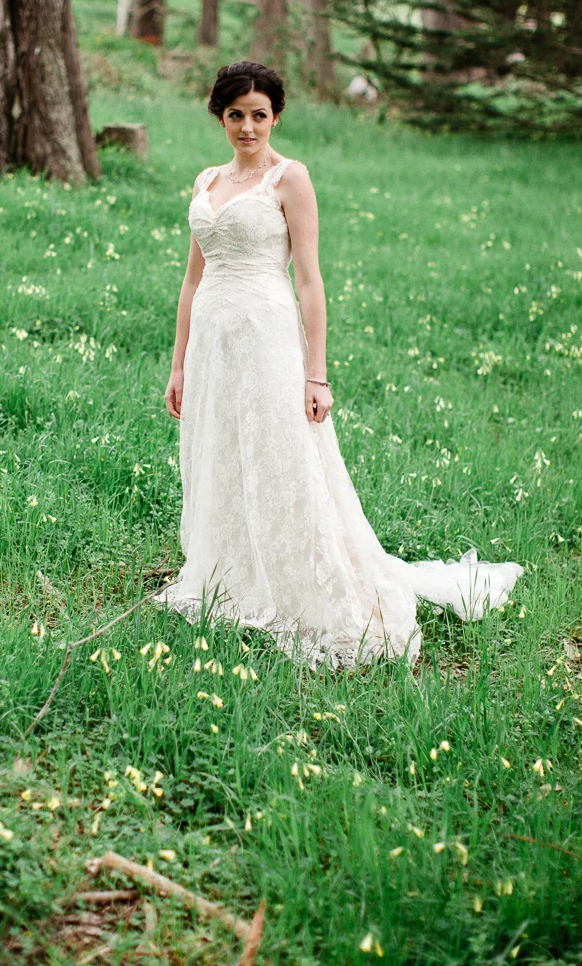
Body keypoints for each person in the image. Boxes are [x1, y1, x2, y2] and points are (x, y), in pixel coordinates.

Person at [158, 61, 523, 667]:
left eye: (259, 115)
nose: (248, 127)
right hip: (213, 344)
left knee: (281, 458)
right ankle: (230, 574)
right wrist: (178, 365)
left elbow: (309, 282)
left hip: (269, 338)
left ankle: (305, 585)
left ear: (275, 117)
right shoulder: (205, 181)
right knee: (219, 451)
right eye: (235, 115)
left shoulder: (289, 179)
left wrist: (316, 371)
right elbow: (191, 282)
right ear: (219, 117)